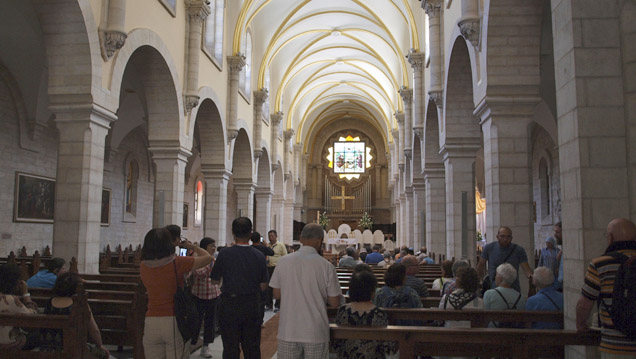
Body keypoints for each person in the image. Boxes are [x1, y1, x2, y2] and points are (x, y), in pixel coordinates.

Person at [269, 223, 342, 359]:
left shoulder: (284, 261)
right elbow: (334, 302)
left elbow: (276, 294)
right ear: (320, 240)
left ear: (301, 239)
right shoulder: (326, 266)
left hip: (288, 329)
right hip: (315, 331)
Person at [140, 227, 212, 359]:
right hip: (173, 318)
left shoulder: (143, 266)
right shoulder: (177, 263)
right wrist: (192, 247)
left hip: (151, 319)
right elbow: (208, 258)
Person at [576, 218, 636, 357]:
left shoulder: (600, 264)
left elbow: (585, 303)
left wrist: (581, 324)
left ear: (610, 238)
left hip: (615, 345)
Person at [211, 217, 269, 359]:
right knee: (252, 347)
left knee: (230, 347)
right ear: (251, 233)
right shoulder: (259, 255)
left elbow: (214, 280)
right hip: (252, 305)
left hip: (229, 305)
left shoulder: (224, 253)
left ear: (233, 232)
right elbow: (263, 285)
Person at [39, 272, 110, 358]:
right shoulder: (80, 304)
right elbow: (93, 329)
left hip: (49, 348)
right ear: (76, 288)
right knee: (103, 354)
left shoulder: (50, 302)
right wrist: (100, 345)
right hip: (74, 348)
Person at [331, 271, 397, 359]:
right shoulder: (379, 314)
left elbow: (335, 343)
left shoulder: (342, 311)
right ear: (372, 291)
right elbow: (388, 346)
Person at [189, 237, 221, 358]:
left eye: (214, 246)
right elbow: (199, 273)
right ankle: (192, 343)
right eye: (211, 246)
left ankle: (206, 346)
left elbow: (217, 275)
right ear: (204, 247)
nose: (214, 248)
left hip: (213, 294)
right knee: (195, 321)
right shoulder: (197, 258)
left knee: (210, 322)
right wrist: (210, 264)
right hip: (198, 294)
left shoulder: (215, 259)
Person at [477, 226, 533, 292]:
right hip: (493, 289)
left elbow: (526, 269)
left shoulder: (518, 250)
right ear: (497, 237)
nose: (505, 239)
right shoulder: (489, 248)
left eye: (508, 237)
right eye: (502, 236)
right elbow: (480, 266)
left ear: (511, 238)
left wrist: (532, 277)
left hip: (513, 289)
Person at [0, 264, 37, 351]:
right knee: (37, 335)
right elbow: (32, 318)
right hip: (6, 344)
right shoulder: (10, 299)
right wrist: (26, 295)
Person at [266, 229, 287, 312]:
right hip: (268, 267)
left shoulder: (280, 245)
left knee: (277, 286)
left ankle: (278, 305)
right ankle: (269, 304)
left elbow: (285, 256)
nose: (270, 238)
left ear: (276, 236)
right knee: (268, 287)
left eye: (272, 236)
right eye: (269, 236)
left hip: (277, 268)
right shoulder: (267, 246)